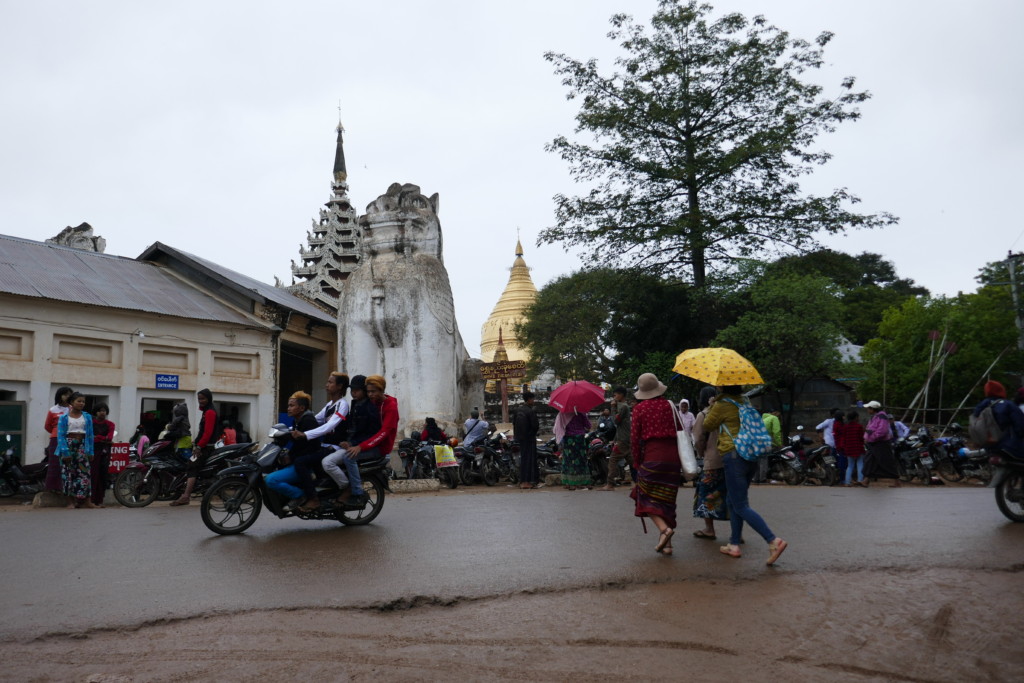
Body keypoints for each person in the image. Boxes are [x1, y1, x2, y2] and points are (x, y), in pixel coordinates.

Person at [703, 385, 788, 565]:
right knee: (733, 501)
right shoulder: (745, 401)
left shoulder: (721, 404)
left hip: (733, 457)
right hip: (750, 456)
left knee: (740, 505)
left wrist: (712, 405)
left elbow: (707, 424)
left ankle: (773, 540)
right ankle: (733, 544)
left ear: (721, 386)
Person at [628, 373, 680, 555]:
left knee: (642, 495)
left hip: (652, 457)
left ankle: (664, 530)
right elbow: (681, 430)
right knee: (667, 499)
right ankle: (668, 544)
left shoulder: (639, 409)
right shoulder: (670, 406)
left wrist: (636, 462)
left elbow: (634, 440)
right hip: (673, 458)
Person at [290, 372, 351, 508]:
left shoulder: (343, 405)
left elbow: (329, 426)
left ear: (340, 386)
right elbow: (315, 420)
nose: (326, 385)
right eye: (327, 382)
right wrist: (288, 430)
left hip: (336, 447)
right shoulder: (330, 404)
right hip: (326, 446)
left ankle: (315, 498)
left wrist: (305, 434)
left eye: (330, 382)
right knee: (299, 456)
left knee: (301, 462)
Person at [339, 375, 398, 505]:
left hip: (380, 447)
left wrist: (361, 446)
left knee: (348, 457)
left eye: (373, 391)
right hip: (368, 443)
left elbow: (384, 432)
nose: (370, 395)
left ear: (381, 390)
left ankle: (357, 492)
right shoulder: (373, 403)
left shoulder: (391, 406)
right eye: (368, 391)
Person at [266, 391, 323, 510]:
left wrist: (291, 457)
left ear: (301, 408)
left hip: (307, 463)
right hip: (300, 459)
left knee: (270, 480)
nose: (288, 408)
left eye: (292, 406)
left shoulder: (308, 420)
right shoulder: (297, 420)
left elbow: (308, 447)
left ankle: (300, 495)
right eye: (288, 405)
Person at [322, 374, 371, 494]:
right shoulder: (355, 405)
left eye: (357, 390)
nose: (354, 393)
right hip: (349, 443)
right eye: (352, 390)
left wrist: (352, 443)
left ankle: (352, 489)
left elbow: (365, 432)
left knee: (335, 461)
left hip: (358, 446)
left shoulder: (366, 408)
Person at [691, 385, 727, 539]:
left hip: (712, 459)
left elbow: (698, 438)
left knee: (706, 494)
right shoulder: (726, 411)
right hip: (729, 458)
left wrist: (700, 452)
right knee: (730, 494)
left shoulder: (703, 414)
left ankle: (709, 529)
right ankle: (737, 533)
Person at [171, 388, 218, 505]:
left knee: (192, 466)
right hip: (203, 445)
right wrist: (195, 442)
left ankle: (186, 496)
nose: (200, 401)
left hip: (207, 447)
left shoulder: (210, 412)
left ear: (209, 398)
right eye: (199, 399)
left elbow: (208, 433)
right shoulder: (206, 412)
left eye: (203, 398)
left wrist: (199, 447)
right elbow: (202, 432)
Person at [55, 392, 96, 508]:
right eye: (79, 401)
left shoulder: (87, 417)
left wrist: (91, 451)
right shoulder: (63, 417)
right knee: (67, 473)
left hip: (83, 446)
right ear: (71, 403)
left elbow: (90, 435)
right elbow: (60, 435)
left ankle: (86, 501)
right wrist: (65, 452)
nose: (81, 403)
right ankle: (70, 501)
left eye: (83, 401)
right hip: (67, 446)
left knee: (85, 473)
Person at [972, 380, 1024, 459]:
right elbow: (1020, 426)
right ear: (1001, 390)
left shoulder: (980, 405)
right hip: (1010, 447)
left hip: (988, 446)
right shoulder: (1008, 405)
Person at [862, 400, 901, 487]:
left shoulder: (882, 417)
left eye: (868, 408)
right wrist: (866, 438)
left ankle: (896, 481)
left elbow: (882, 431)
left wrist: (872, 437)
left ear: (872, 409)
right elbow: (869, 429)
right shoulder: (874, 417)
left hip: (881, 443)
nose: (867, 410)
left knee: (887, 461)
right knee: (869, 461)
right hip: (873, 443)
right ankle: (865, 480)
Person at [600, 387, 632, 491]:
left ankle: (610, 484)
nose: (615, 396)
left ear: (622, 395)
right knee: (632, 461)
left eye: (616, 394)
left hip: (623, 439)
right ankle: (641, 481)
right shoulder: (622, 406)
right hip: (623, 437)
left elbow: (616, 421)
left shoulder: (624, 407)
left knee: (613, 459)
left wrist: (612, 408)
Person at [44, 386, 74, 492]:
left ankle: (68, 487)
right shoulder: (53, 410)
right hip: (56, 439)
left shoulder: (73, 409)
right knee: (55, 463)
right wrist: (56, 432)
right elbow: (47, 426)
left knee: (70, 463)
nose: (68, 396)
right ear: (59, 396)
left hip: (71, 438)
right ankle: (54, 487)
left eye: (70, 394)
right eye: (65, 394)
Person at [556, 407, 592, 491]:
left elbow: (560, 426)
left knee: (569, 460)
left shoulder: (563, 413)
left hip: (569, 439)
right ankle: (582, 482)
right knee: (581, 460)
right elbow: (588, 426)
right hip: (579, 439)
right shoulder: (581, 412)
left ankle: (569, 483)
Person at [514, 391, 540, 489]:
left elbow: (514, 424)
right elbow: (535, 426)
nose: (533, 401)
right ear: (529, 399)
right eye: (532, 399)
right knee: (530, 460)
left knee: (524, 459)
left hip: (520, 439)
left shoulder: (517, 410)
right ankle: (527, 482)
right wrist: (532, 435)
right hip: (529, 439)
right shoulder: (530, 411)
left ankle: (522, 481)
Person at [90, 402, 115, 507]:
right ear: (96, 412)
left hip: (104, 452)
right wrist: (103, 439)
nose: (102, 413)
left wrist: (98, 438)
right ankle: (90, 499)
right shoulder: (90, 423)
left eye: (104, 410)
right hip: (92, 451)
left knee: (102, 474)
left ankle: (99, 500)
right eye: (100, 410)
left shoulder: (110, 424)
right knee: (92, 474)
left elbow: (109, 438)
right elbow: (90, 437)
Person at [839, 410, 866, 486]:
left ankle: (847, 482)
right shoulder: (859, 426)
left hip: (849, 449)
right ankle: (860, 480)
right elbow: (861, 438)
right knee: (860, 464)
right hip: (858, 448)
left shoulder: (845, 427)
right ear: (856, 418)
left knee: (850, 466)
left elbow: (843, 438)